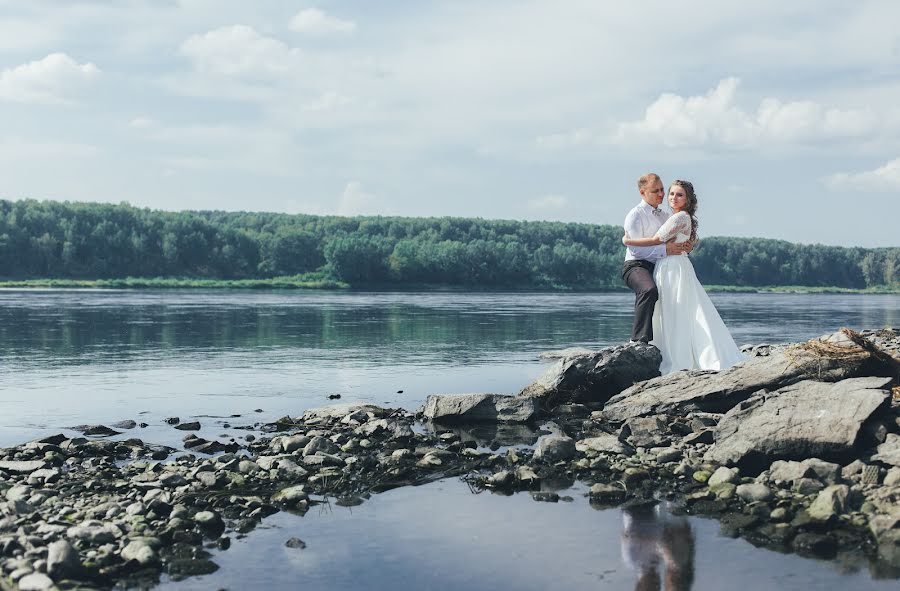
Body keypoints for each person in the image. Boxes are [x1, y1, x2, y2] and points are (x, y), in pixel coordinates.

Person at [622, 180, 745, 374]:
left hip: (672, 266)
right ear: (643, 192)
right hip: (663, 264)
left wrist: (627, 240)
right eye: (670, 193)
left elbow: (656, 239)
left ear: (687, 199)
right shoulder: (647, 214)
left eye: (678, 194)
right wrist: (686, 244)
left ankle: (676, 353)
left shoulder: (677, 217)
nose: (671, 197)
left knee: (676, 309)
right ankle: (654, 345)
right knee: (674, 308)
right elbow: (680, 239)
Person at [622, 173, 691, 343]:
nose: (662, 194)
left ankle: (671, 343)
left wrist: (689, 245)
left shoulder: (665, 216)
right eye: (655, 191)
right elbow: (636, 250)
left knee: (674, 299)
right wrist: (664, 250)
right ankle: (639, 341)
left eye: (662, 189)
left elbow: (679, 237)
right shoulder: (635, 215)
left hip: (660, 265)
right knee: (649, 290)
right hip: (635, 266)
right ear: (642, 192)